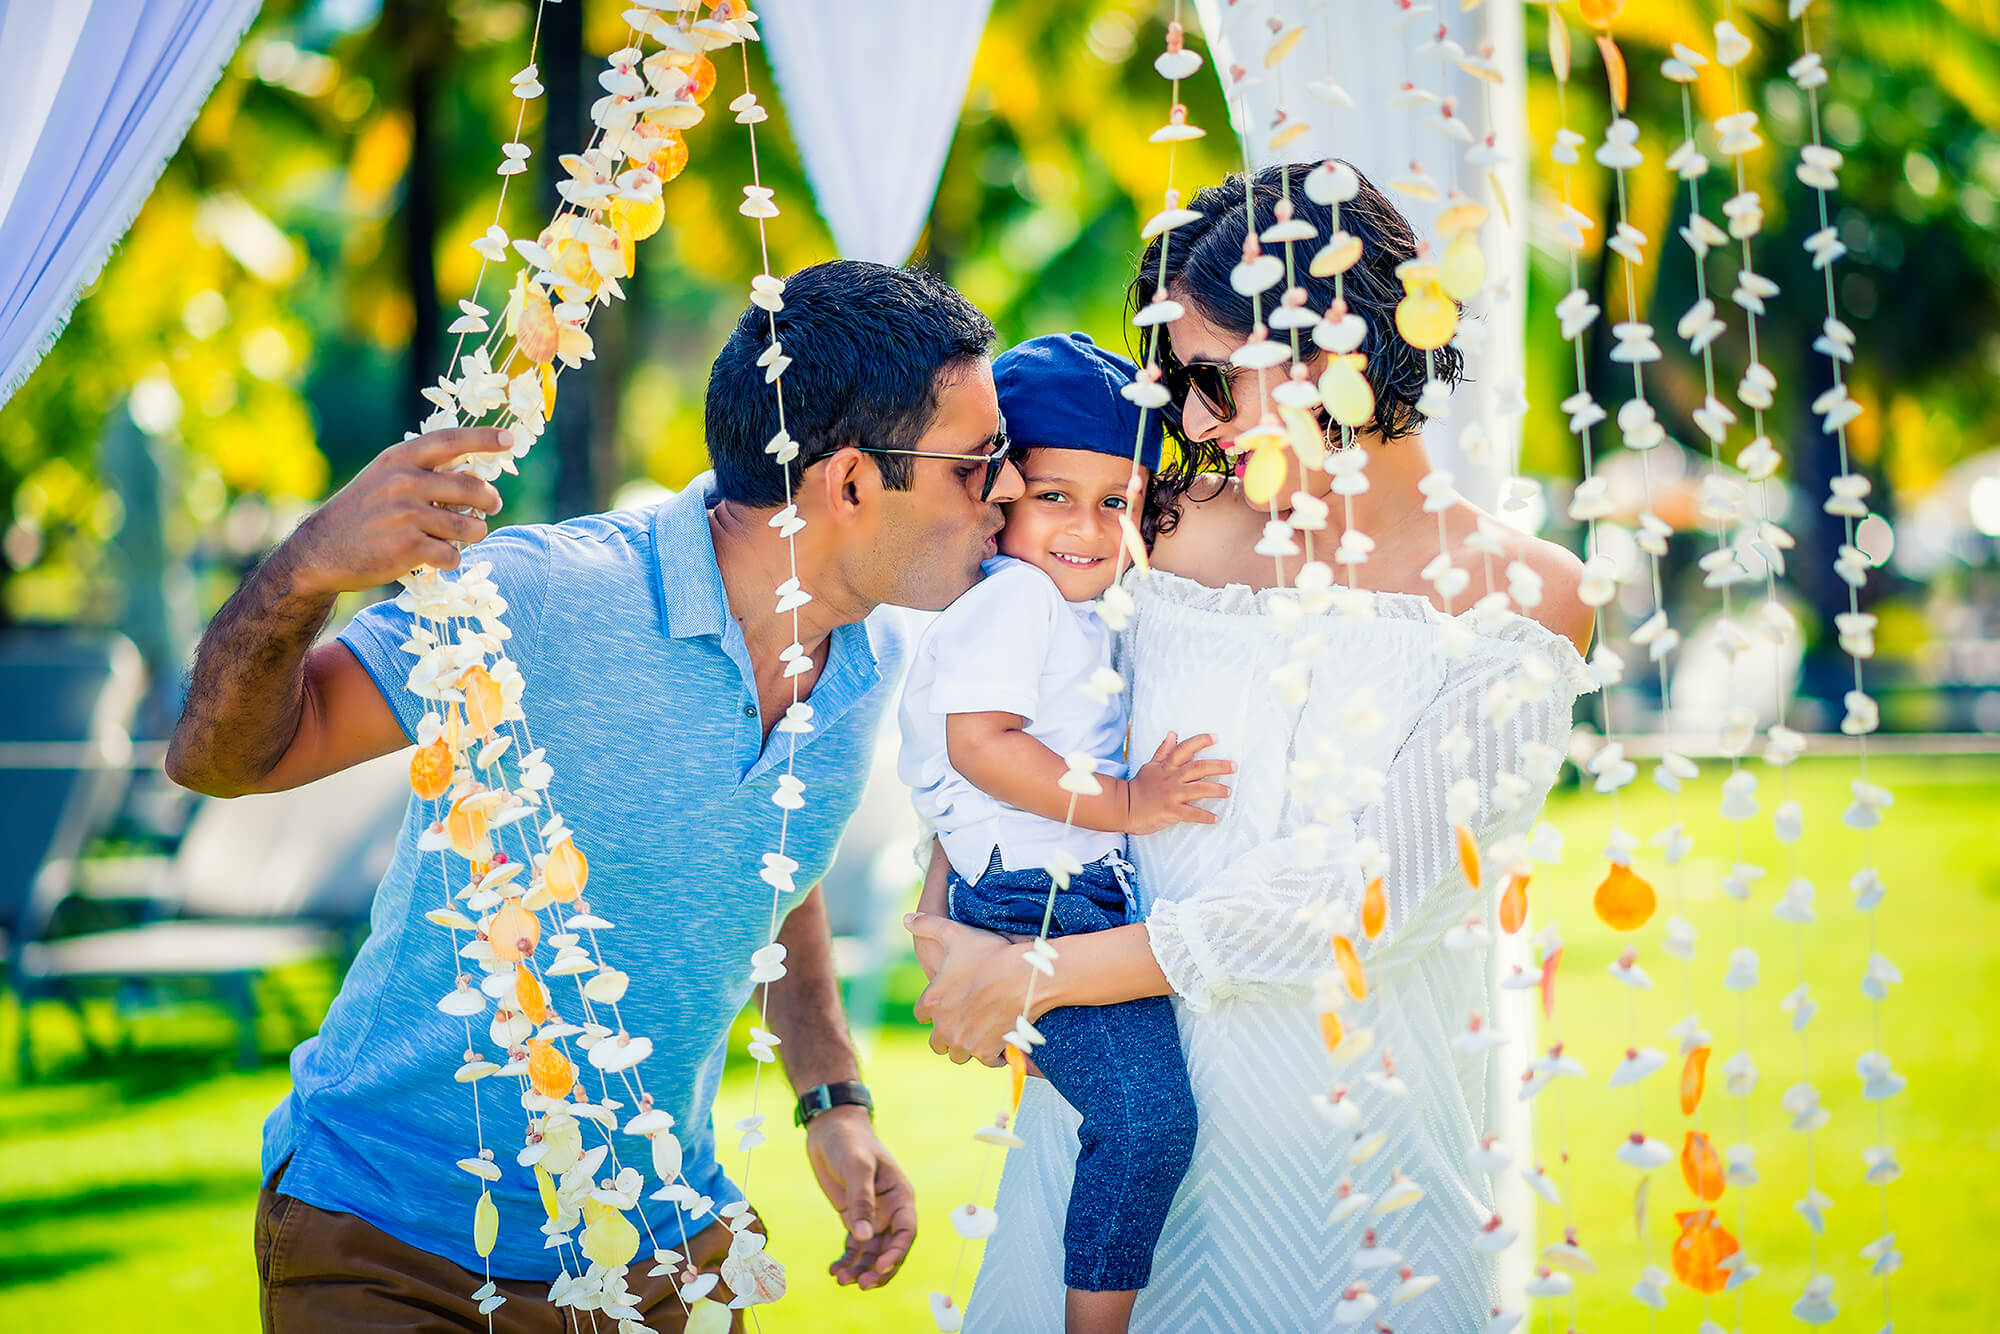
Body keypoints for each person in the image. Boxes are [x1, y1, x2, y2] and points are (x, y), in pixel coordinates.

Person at [166, 259, 1026, 1333]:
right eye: (977, 459)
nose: (1005, 487)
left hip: (658, 1249)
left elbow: (772, 858)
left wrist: (831, 1096)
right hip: (390, 1236)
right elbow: (221, 758)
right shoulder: (543, 596)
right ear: (848, 481)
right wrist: (303, 571)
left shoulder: (877, 658)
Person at [907, 164, 1596, 1332]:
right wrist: (954, 919)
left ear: (1342, 346)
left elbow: (1376, 890)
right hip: (1116, 1128)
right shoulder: (1157, 529)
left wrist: (1046, 975)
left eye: (1220, 376)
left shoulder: (1529, 592)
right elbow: (1006, 697)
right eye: (1179, 380)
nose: (1191, 417)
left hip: (1353, 1169)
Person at [897, 333, 1232, 1334]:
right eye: (1053, 495)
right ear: (1000, 493)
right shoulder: (1017, 598)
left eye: (1114, 501)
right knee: (1144, 1121)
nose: (1085, 526)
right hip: (1034, 891)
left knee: (1131, 1109)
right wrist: (1131, 804)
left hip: (1046, 885)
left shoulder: (1057, 601)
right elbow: (980, 743)